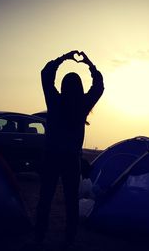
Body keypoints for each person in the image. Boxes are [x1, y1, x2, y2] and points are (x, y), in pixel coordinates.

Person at [35, 50, 104, 248]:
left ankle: (39, 237)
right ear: (79, 88)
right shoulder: (83, 105)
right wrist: (89, 64)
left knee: (45, 198)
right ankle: (69, 239)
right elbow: (99, 86)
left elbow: (46, 73)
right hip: (71, 160)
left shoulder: (54, 101)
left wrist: (64, 58)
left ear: (63, 86)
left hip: (51, 157)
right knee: (71, 201)